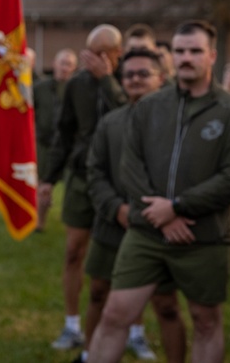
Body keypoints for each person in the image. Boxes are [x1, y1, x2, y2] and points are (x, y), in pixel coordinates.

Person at [88, 20, 230, 363]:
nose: (186, 58)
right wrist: (161, 216)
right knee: (115, 313)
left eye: (195, 51)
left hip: (205, 234)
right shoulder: (150, 106)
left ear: (211, 55)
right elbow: (130, 165)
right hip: (147, 231)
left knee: (206, 321)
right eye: (180, 51)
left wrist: (179, 207)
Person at [82, 49, 185, 363]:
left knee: (166, 305)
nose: (135, 80)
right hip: (113, 224)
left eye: (143, 73)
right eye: (129, 74)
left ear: (161, 78)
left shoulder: (176, 124)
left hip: (159, 228)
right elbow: (95, 172)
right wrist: (116, 209)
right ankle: (90, 354)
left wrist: (165, 212)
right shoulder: (110, 123)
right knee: (99, 293)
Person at [43, 25, 127, 350]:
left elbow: (129, 119)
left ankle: (130, 327)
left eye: (104, 54)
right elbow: (63, 133)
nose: (96, 60)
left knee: (122, 257)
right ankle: (71, 325)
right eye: (91, 53)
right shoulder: (76, 84)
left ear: (117, 55)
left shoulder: (129, 79)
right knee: (73, 251)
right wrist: (49, 179)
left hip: (119, 181)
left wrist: (107, 80)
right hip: (81, 177)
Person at [33, 48, 78, 232]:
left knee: (72, 187)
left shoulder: (77, 89)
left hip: (70, 147)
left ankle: (73, 223)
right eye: (62, 63)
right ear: (54, 64)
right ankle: (39, 223)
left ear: (74, 68)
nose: (64, 68)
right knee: (43, 184)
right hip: (44, 144)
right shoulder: (40, 88)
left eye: (69, 65)